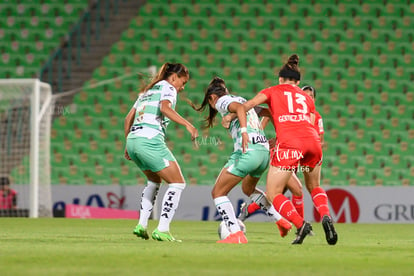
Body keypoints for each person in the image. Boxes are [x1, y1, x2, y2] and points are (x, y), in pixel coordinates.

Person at [238, 54, 338, 245]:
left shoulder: (272, 91)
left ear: (280, 79)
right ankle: (326, 215)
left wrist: (231, 116)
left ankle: (301, 225)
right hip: (313, 142)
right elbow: (307, 124)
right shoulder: (307, 99)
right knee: (314, 187)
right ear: (298, 82)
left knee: (274, 193)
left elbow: (248, 106)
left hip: (290, 145)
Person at [195, 77, 291, 244]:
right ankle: (280, 220)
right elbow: (269, 112)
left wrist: (244, 131)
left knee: (218, 193)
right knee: (248, 188)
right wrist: (280, 136)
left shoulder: (221, 101)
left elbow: (239, 109)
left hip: (248, 151)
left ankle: (235, 233)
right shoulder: (242, 99)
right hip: (263, 153)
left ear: (212, 97)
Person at [125, 62, 198, 242]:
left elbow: (128, 118)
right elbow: (165, 108)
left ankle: (141, 225)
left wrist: (127, 144)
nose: (182, 87)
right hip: (149, 140)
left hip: (133, 140)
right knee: (178, 183)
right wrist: (188, 124)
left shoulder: (146, 91)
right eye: (183, 82)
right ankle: (162, 229)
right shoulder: (168, 88)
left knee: (154, 180)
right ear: (173, 77)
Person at [238, 85, 324, 221]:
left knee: (276, 193)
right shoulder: (285, 108)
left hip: (299, 156)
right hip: (283, 154)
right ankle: (301, 226)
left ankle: (247, 210)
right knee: (297, 190)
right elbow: (266, 118)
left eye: (311, 96)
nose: (308, 98)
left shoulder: (316, 117)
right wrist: (259, 137)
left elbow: (320, 140)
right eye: (305, 94)